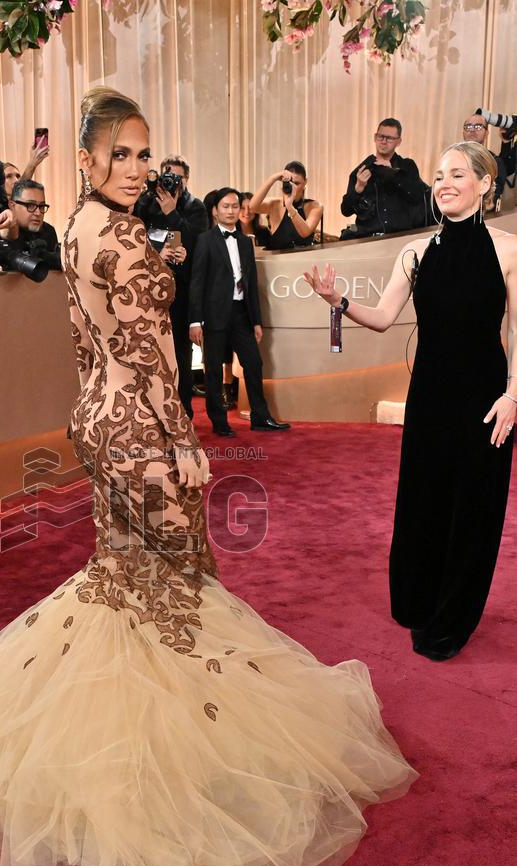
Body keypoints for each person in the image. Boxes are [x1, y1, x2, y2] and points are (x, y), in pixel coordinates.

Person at [0, 86, 417, 866]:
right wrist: (181, 439)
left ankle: (91, 752)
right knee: (172, 589)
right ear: (87, 159)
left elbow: (84, 341)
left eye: (145, 155)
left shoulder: (71, 226)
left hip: (93, 419)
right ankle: (168, 771)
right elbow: (151, 356)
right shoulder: (118, 236)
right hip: (141, 428)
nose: (137, 168)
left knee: (123, 579)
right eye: (121, 154)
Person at [304, 141, 516, 661]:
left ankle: (453, 617)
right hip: (430, 395)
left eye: (458, 174)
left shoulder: (510, 250)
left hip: (487, 398)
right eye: (439, 175)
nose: (444, 182)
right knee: (426, 500)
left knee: (474, 508)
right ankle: (419, 598)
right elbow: (381, 317)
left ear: (485, 184)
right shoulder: (415, 252)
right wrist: (339, 303)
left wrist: (514, 395)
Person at [189, 187, 290, 435]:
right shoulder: (205, 240)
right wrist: (194, 321)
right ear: (215, 210)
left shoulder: (246, 242)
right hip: (214, 314)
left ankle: (260, 417)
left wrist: (256, 320)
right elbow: (197, 282)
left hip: (241, 313)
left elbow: (251, 284)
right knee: (213, 368)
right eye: (226, 206)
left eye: (236, 206)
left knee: (254, 364)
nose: (232, 210)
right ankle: (219, 422)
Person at [135, 154, 209, 420]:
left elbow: (198, 240)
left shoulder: (196, 206)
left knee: (180, 352)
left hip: (182, 289)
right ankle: (153, 413)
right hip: (149, 289)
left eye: (177, 177)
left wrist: (172, 214)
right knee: (150, 350)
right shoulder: (145, 202)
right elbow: (135, 236)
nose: (171, 181)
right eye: (168, 175)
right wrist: (158, 251)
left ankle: (184, 412)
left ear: (186, 179)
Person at [340, 118, 427, 238]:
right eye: (381, 136)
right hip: (368, 239)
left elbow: (417, 195)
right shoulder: (362, 170)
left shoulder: (407, 166)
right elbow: (345, 210)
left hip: (401, 237)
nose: (384, 141)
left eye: (390, 138)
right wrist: (358, 189)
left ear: (399, 141)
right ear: (375, 138)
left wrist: (393, 174)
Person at [247, 162, 322, 250]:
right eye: (290, 183)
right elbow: (252, 207)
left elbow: (305, 233)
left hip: (304, 261)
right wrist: (272, 178)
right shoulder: (275, 204)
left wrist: (290, 207)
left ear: (305, 182)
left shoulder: (314, 206)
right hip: (277, 261)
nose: (293, 187)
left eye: (297, 183)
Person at [6, 178, 60, 268]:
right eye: (30, 205)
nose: (38, 213)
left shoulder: (48, 231)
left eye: (42, 206)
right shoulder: (4, 231)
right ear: (12, 206)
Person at [461, 112, 508, 208]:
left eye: (478, 127)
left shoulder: (494, 161)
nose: (473, 130)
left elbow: (493, 198)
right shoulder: (452, 157)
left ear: (486, 133)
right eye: (468, 127)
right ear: (463, 132)